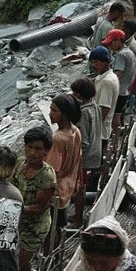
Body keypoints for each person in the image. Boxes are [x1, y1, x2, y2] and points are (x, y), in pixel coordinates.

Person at [5, 126, 57, 271]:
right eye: (29, 147)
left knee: (21, 262)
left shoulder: (46, 176)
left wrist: (15, 207)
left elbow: (41, 207)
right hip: (14, 219)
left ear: (46, 151)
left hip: (33, 226)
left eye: (38, 149)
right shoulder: (19, 165)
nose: (33, 153)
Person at [47, 95, 83, 232]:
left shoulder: (57, 138)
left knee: (52, 230)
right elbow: (79, 159)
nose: (50, 113)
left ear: (65, 114)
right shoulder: (75, 131)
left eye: (54, 110)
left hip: (56, 192)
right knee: (59, 227)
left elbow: (52, 170)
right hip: (68, 186)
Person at [70, 77, 104, 196]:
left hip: (86, 156)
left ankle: (79, 204)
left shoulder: (83, 112)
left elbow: (83, 139)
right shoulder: (95, 106)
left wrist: (76, 158)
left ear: (78, 94)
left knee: (80, 184)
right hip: (96, 150)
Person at [103, 28, 136, 132]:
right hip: (125, 89)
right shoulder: (129, 52)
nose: (110, 46)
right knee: (118, 114)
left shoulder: (121, 55)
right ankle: (117, 135)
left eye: (111, 42)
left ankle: (114, 136)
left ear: (118, 40)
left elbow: (118, 74)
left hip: (119, 91)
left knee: (114, 117)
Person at [90, 46, 119, 158]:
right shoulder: (109, 77)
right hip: (102, 129)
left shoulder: (106, 82)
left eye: (96, 62)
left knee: (96, 162)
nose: (93, 66)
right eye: (92, 62)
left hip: (100, 131)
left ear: (105, 62)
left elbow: (104, 109)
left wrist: (92, 128)